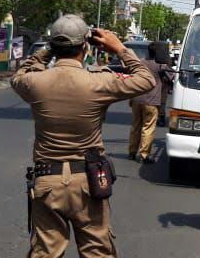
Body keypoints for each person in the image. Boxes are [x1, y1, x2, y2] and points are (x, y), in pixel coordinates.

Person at [10, 15, 157, 258]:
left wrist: (48, 49)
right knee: (97, 252)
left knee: (45, 253)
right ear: (86, 47)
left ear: (54, 48)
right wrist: (119, 48)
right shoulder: (99, 81)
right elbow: (146, 79)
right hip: (87, 183)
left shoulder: (34, 82)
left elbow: (22, 72)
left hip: (47, 182)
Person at [128, 42, 170, 164]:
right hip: (152, 101)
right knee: (148, 128)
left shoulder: (139, 62)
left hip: (136, 98)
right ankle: (144, 155)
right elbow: (171, 77)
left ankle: (132, 152)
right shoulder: (161, 65)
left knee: (135, 126)